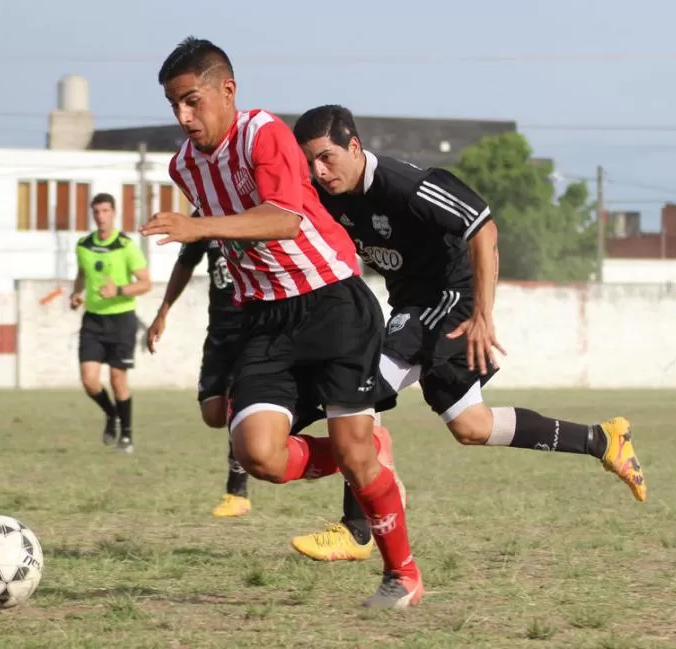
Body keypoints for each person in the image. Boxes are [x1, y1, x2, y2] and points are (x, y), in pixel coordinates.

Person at [287, 104, 648, 559]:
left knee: (362, 382)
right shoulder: (326, 196)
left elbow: (484, 228)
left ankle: (357, 529)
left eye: (327, 158)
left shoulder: (406, 185)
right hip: (413, 306)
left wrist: (483, 316)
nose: (320, 171)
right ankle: (602, 439)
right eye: (310, 162)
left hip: (452, 297)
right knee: (471, 425)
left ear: (354, 146)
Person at [140, 37, 421, 609]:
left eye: (192, 101)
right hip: (267, 315)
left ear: (228, 90)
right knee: (257, 453)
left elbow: (285, 221)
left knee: (352, 452)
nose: (183, 117)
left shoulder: (263, 133)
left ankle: (403, 576)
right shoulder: (183, 165)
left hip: (333, 302)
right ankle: (363, 453)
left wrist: (198, 229)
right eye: (173, 106)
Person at [146, 223, 407, 520]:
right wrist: (163, 310)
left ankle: (237, 491)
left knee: (244, 410)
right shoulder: (204, 211)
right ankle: (354, 451)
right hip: (220, 330)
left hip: (260, 325)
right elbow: (184, 263)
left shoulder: (267, 211)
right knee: (213, 413)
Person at [71, 192, 152, 453]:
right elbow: (81, 274)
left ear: (113, 213)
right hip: (93, 320)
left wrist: (117, 290)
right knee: (89, 380)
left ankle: (126, 435)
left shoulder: (127, 246)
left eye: (106, 211)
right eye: (96, 212)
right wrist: (76, 293)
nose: (101, 216)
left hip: (121, 320)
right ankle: (111, 415)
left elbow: (145, 283)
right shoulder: (83, 245)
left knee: (118, 380)